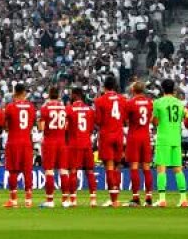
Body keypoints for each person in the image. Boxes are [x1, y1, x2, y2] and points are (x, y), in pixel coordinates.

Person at [152, 79, 188, 208]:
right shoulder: (179, 103)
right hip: (176, 139)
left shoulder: (158, 102)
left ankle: (162, 199)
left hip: (163, 139)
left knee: (161, 169)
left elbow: (155, 122)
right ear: (173, 89)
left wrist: (154, 119)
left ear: (162, 89)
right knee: (178, 169)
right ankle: (183, 199)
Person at [93, 75, 126, 207]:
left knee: (109, 167)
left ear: (104, 86)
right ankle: (116, 198)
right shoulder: (123, 99)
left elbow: (98, 121)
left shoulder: (100, 100)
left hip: (106, 135)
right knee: (117, 166)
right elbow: (124, 118)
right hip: (119, 135)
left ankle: (113, 200)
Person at [2, 83, 35, 208]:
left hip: (13, 141)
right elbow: (31, 124)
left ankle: (13, 200)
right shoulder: (31, 107)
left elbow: (4, 125)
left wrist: (9, 127)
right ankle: (28, 200)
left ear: (15, 92)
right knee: (27, 171)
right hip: (26, 141)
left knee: (13, 171)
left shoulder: (10, 107)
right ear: (24, 93)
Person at [65, 88, 97, 208]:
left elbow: (65, 127)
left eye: (71, 94)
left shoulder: (69, 109)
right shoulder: (90, 110)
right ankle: (93, 200)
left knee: (73, 172)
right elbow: (91, 129)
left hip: (74, 144)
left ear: (75, 95)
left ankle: (73, 200)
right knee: (90, 172)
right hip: (87, 143)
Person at [37, 86, 68, 208]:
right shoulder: (64, 108)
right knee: (63, 170)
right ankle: (65, 201)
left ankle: (50, 200)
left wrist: (39, 122)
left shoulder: (45, 108)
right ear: (58, 95)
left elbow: (41, 127)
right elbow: (66, 125)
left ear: (49, 95)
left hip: (50, 141)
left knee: (49, 171)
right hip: (62, 141)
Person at [125, 80, 154, 206]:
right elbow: (152, 118)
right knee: (147, 168)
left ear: (133, 90)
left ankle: (136, 197)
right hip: (146, 136)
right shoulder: (149, 102)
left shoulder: (130, 103)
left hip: (134, 136)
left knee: (135, 167)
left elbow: (126, 120)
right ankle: (149, 197)